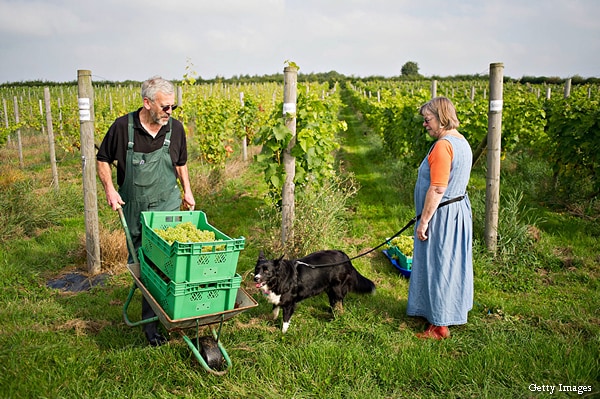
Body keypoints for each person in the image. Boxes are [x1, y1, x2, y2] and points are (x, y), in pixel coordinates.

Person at [97, 76, 195, 346]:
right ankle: (152, 328)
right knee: (148, 266)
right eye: (165, 107)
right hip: (136, 209)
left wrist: (187, 190)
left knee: (172, 262)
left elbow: (181, 163)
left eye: (173, 107)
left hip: (167, 205)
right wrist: (109, 189)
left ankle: (176, 314)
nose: (169, 112)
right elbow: (103, 159)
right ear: (147, 102)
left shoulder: (175, 129)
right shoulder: (122, 128)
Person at [406, 96, 473, 340]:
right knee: (451, 264)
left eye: (428, 119)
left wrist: (424, 220)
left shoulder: (444, 145)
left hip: (443, 215)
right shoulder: (461, 141)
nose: (425, 124)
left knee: (439, 266)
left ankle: (439, 325)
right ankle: (444, 311)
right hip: (457, 212)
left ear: (442, 117)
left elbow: (437, 188)